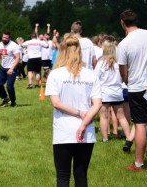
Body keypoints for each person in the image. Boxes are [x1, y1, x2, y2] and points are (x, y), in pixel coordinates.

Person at [45, 35, 102, 187]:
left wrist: (79, 114)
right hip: (86, 131)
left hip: (64, 131)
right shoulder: (91, 74)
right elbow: (97, 104)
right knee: (81, 175)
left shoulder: (55, 74)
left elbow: (56, 103)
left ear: (62, 51)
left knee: (63, 176)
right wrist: (83, 122)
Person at [117, 8, 147, 171]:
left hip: (136, 87)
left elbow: (123, 71)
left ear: (122, 23)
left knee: (140, 124)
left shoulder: (123, 44)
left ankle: (139, 163)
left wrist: (127, 81)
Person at [94, 36, 130, 143]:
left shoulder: (101, 63)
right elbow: (124, 76)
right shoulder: (118, 63)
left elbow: (95, 78)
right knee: (121, 116)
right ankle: (129, 137)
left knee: (104, 116)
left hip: (104, 93)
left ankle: (105, 139)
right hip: (117, 92)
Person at [0, 31, 20, 107]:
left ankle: (13, 102)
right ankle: (6, 99)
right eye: (3, 37)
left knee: (9, 86)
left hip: (11, 68)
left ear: (9, 38)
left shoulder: (14, 45)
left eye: (6, 38)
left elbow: (17, 58)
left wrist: (12, 68)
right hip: (3, 68)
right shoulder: (0, 45)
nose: (4, 39)